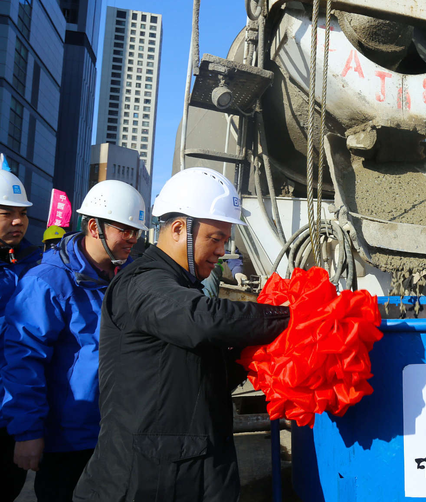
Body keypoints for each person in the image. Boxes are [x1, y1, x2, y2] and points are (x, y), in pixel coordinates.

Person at [74, 167, 290, 502]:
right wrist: (289, 316)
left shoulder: (179, 288)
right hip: (144, 481)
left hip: (184, 474)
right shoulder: (143, 283)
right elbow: (203, 320)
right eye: (215, 239)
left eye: (225, 240)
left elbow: (196, 374)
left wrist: (249, 359)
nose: (222, 251)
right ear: (178, 230)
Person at [1, 180, 147, 502]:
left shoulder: (131, 276)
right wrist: (27, 433)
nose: (133, 239)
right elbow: (23, 360)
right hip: (68, 439)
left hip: (117, 432)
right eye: (125, 230)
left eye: (136, 231)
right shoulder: (47, 282)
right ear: (94, 227)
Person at [0, 170, 40, 502]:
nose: (18, 221)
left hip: (14, 414)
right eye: (7, 213)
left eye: (23, 213)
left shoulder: (35, 265)